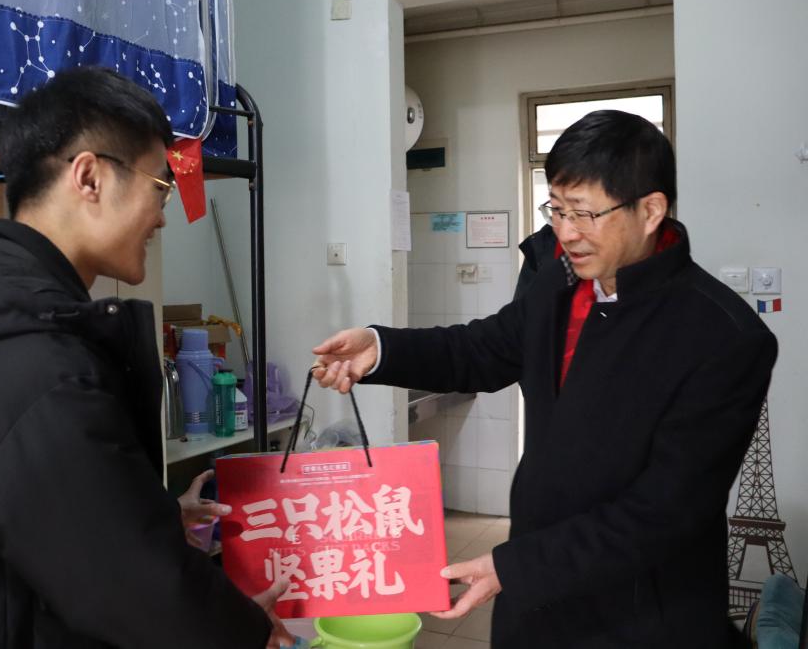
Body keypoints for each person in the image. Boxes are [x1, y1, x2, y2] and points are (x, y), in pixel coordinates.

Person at [0, 66, 293, 648]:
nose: (163, 215)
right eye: (159, 186)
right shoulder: (29, 360)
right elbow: (135, 591)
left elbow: (36, 509)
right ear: (89, 177)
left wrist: (154, 517)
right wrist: (248, 632)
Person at [312, 110, 777, 648]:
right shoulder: (559, 284)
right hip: (538, 603)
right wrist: (382, 348)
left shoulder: (724, 337)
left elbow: (666, 511)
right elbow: (481, 348)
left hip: (640, 615)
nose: (566, 232)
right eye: (555, 209)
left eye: (583, 213)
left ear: (651, 210)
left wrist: (516, 567)